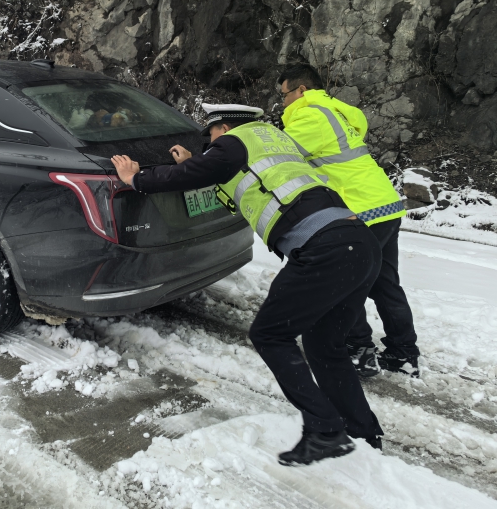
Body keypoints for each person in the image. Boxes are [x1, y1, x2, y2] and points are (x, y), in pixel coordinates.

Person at [111, 104, 384, 466]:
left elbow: (202, 169)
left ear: (222, 127)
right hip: (358, 243)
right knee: (325, 346)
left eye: (209, 138)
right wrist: (194, 163)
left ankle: (325, 430)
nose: (210, 146)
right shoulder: (275, 140)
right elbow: (239, 184)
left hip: (324, 249)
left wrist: (136, 179)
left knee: (270, 334)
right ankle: (364, 435)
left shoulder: (236, 139)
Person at [277, 64, 420, 378]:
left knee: (340, 284)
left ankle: (359, 352)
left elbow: (278, 155)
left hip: (361, 210)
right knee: (385, 285)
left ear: (300, 90)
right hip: (384, 205)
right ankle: (403, 353)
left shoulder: (310, 116)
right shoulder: (337, 111)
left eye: (284, 94)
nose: (282, 102)